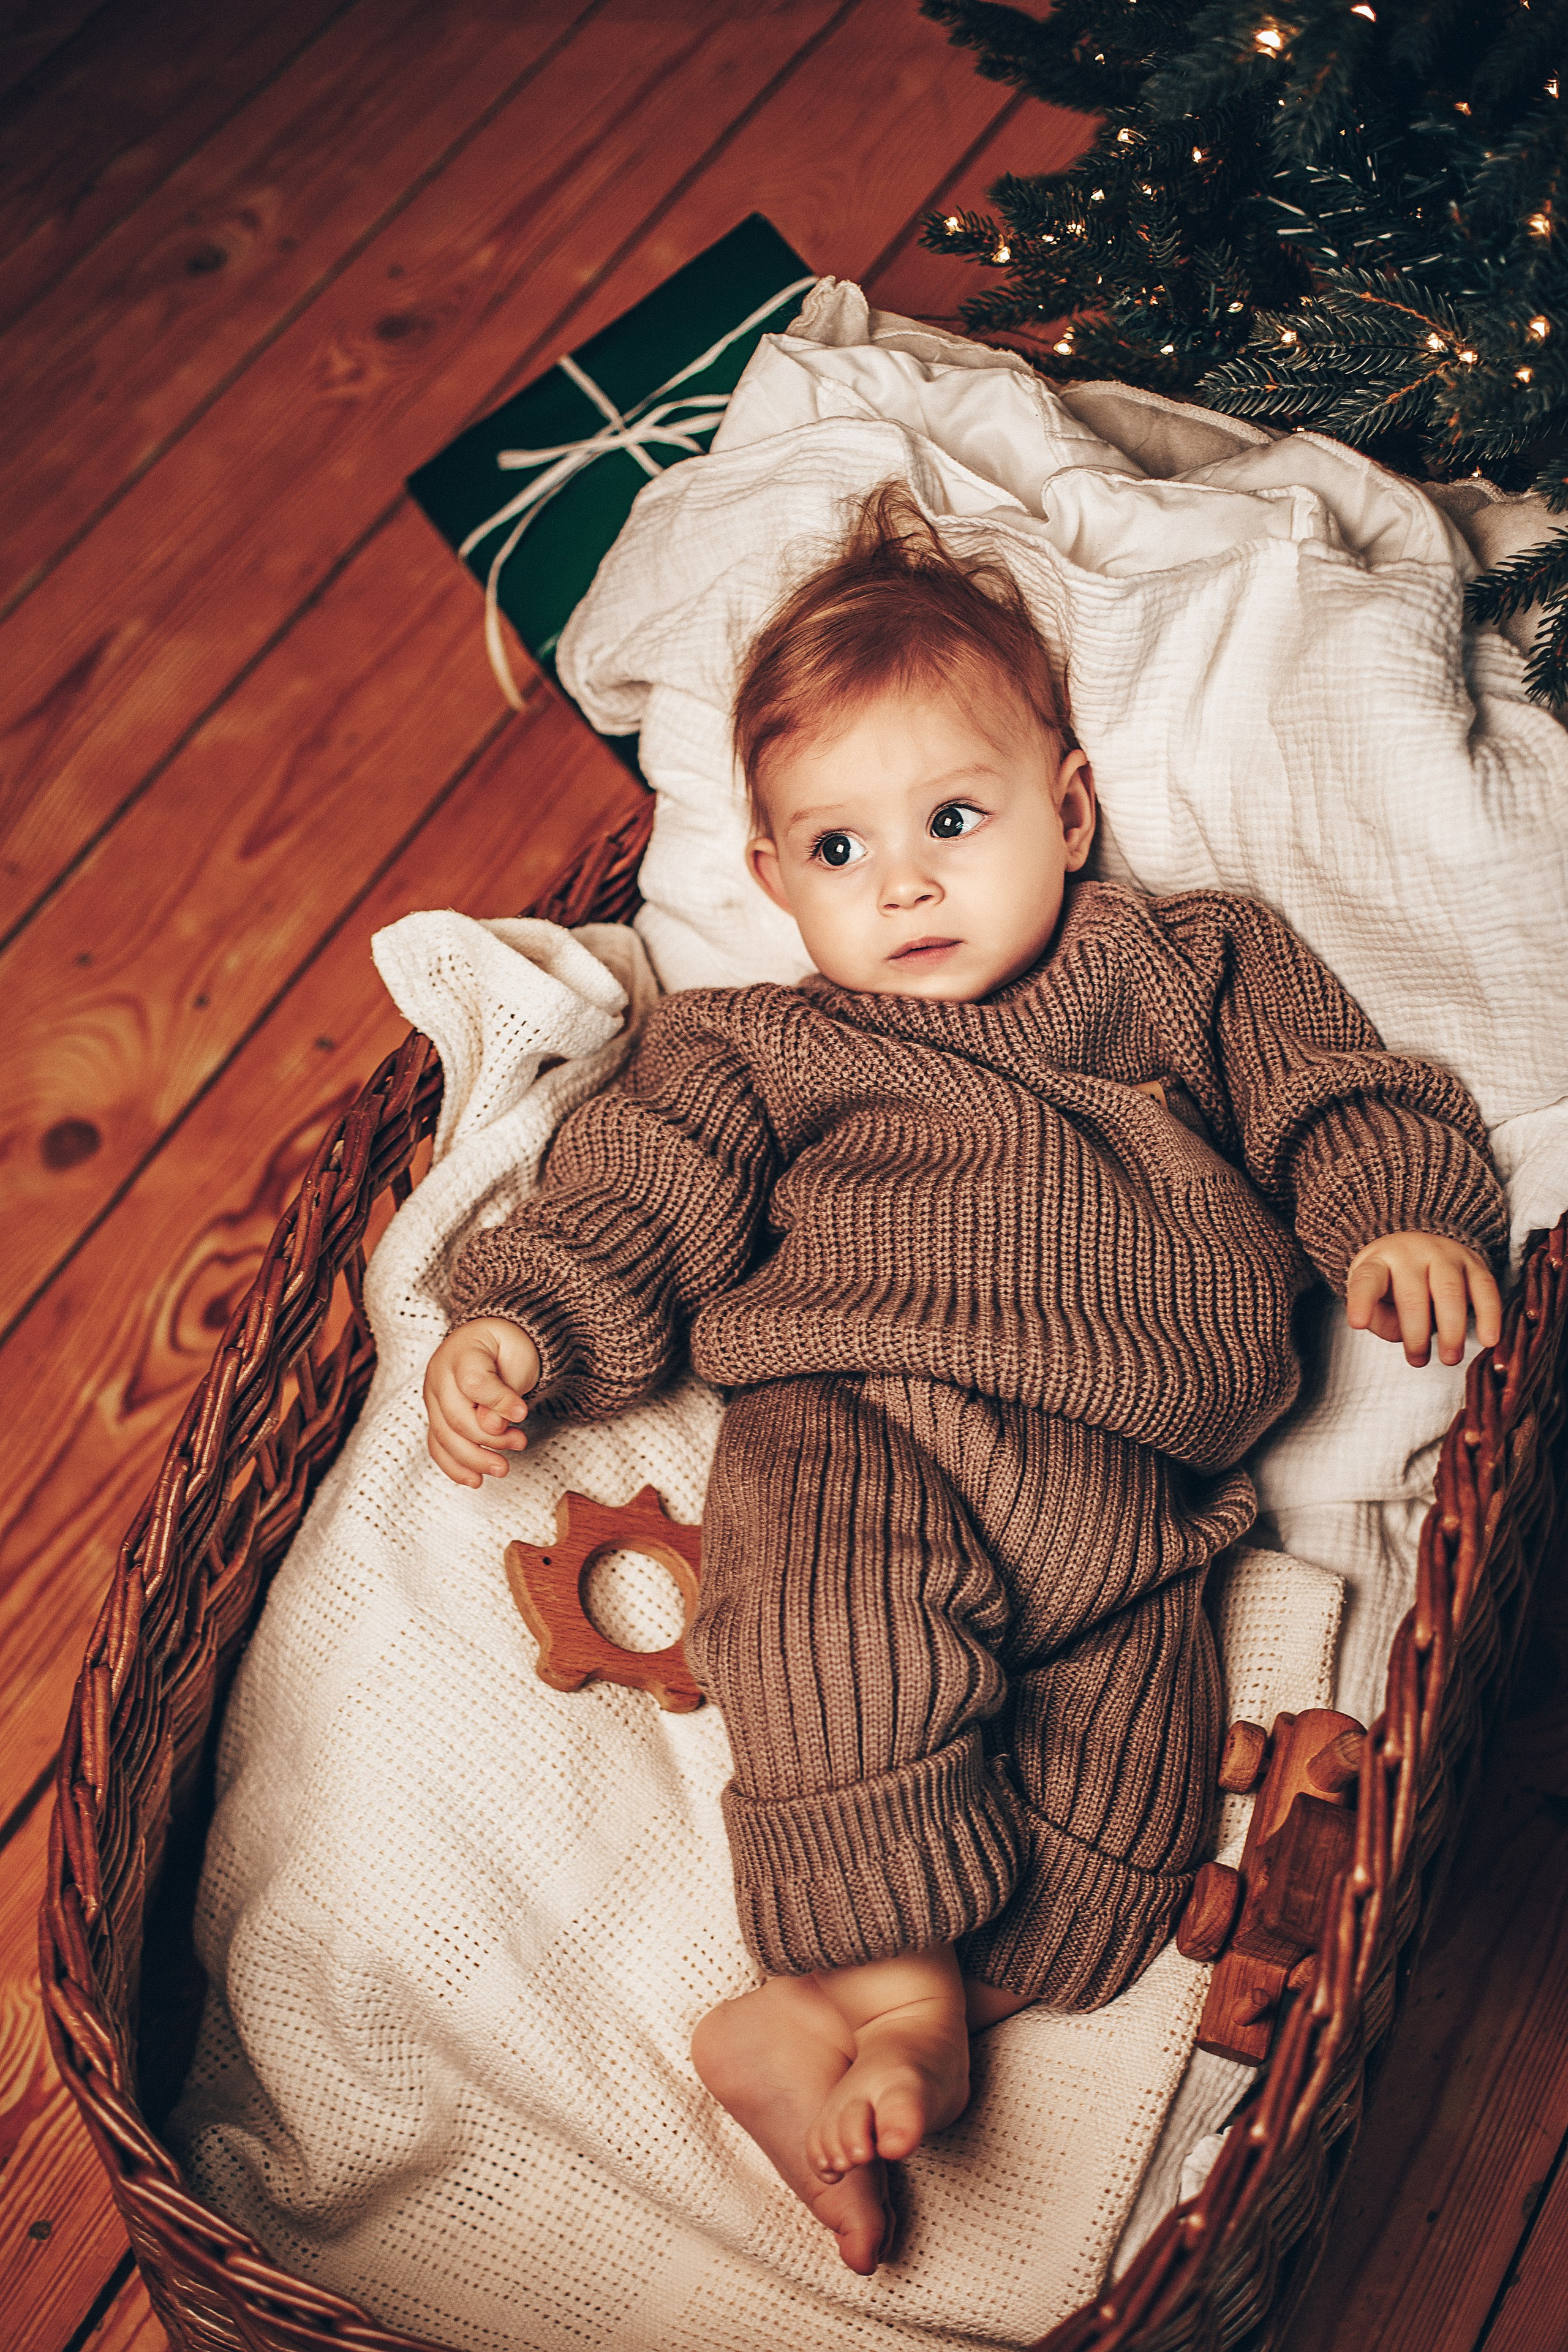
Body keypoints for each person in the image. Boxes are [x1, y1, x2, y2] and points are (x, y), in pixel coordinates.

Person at [421, 484, 1506, 2275]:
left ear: (1068, 811)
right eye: (836, 851)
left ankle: (840, 2022)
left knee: (1129, 1812)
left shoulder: (1183, 962)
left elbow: (1341, 1090)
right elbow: (643, 1189)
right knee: (845, 1641)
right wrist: (525, 1322)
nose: (905, 879)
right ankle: (891, 1999)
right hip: (864, 1419)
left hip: (1140, 1490)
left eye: (951, 816)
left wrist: (1395, 1214)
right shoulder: (765, 1045)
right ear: (769, 882)